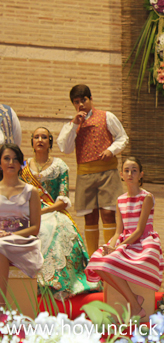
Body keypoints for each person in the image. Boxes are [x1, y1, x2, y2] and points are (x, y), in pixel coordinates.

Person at [21, 127, 100, 299]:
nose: (40, 140)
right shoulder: (23, 167)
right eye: (36, 137)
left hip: (53, 210)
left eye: (44, 137)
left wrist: (44, 210)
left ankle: (57, 282)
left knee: (59, 229)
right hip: (27, 212)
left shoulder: (60, 166)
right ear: (32, 142)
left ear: (50, 142)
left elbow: (63, 199)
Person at [85, 157, 163, 320]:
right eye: (126, 170)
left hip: (143, 243)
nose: (130, 174)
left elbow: (139, 230)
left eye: (134, 170)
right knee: (96, 262)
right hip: (125, 241)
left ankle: (135, 304)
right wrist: (111, 246)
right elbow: (118, 231)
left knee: (111, 259)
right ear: (121, 174)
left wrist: (118, 248)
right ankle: (134, 300)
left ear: (141, 174)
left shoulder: (147, 197)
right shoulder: (120, 200)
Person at [57, 84, 129, 255]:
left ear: (90, 99)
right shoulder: (72, 125)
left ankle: (110, 254)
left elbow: (122, 137)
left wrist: (111, 150)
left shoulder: (106, 116)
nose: (81, 105)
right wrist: (74, 125)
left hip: (107, 173)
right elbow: (65, 148)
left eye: (84, 100)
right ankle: (92, 257)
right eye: (76, 102)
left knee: (108, 213)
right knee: (90, 217)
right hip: (85, 174)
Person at [0, 144, 43, 307]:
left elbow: (35, 228)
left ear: (21, 164)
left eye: (15, 159)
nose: (11, 162)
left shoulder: (31, 191)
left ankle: (1, 308)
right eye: (6, 158)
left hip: (23, 242)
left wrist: (11, 235)